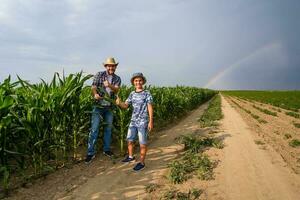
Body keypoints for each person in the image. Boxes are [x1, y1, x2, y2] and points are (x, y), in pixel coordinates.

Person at [85, 57, 121, 164]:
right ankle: (90, 153)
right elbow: (93, 86)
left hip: (109, 106)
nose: (111, 67)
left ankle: (106, 149)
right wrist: (95, 94)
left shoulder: (117, 78)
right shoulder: (99, 74)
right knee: (94, 128)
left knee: (108, 129)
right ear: (106, 66)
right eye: (109, 65)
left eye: (113, 66)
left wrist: (109, 85)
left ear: (115, 67)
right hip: (98, 106)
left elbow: (117, 89)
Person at [116, 72, 154, 172]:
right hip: (133, 121)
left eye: (140, 80)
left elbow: (150, 107)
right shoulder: (132, 94)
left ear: (143, 82)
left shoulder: (147, 93)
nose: (138, 82)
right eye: (136, 80)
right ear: (133, 82)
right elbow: (125, 106)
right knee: (130, 139)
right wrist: (119, 103)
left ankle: (142, 163)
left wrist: (151, 121)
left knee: (142, 143)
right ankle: (130, 157)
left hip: (143, 121)